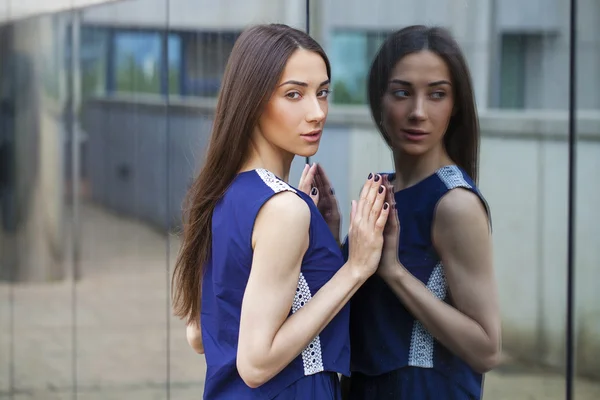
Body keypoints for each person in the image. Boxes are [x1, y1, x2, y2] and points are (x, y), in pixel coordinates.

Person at [170, 23, 391, 399]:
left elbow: (199, 335)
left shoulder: (222, 192)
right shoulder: (283, 210)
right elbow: (255, 365)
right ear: (253, 100)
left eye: (322, 93)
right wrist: (355, 269)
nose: (317, 111)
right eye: (294, 94)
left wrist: (315, 236)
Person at [341, 25, 502, 399]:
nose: (417, 112)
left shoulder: (454, 204)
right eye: (402, 93)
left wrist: (395, 273)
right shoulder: (384, 188)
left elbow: (487, 348)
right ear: (379, 100)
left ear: (455, 104)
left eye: (437, 95)